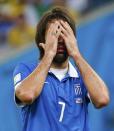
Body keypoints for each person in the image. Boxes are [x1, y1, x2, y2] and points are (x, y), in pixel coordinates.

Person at [13, 6, 110, 131]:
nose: (59, 41)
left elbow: (102, 99)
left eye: (64, 34)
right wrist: (48, 54)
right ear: (42, 42)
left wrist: (76, 54)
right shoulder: (26, 69)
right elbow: (26, 95)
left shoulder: (82, 75)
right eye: (54, 35)